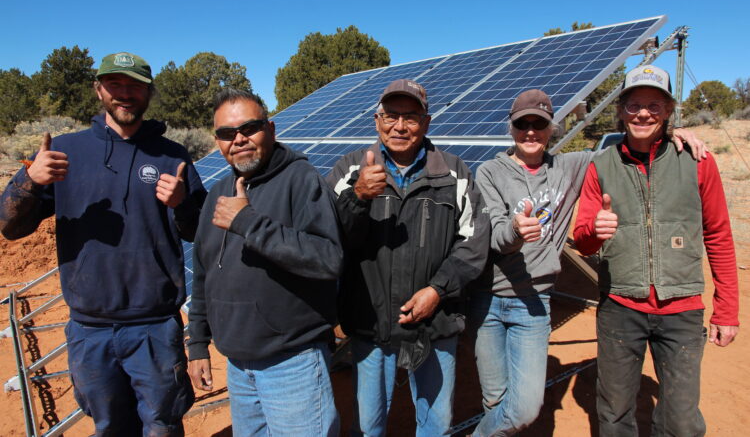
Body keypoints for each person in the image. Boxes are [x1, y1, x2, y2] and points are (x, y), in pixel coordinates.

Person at [471, 88, 706, 437]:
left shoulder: (571, 167)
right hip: (488, 299)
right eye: (522, 124)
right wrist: (516, 231)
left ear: (552, 129)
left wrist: (673, 132)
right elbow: (494, 238)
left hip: (534, 302)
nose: (531, 132)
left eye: (540, 124)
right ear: (511, 128)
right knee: (495, 400)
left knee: (522, 409)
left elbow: (632, 144)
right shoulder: (490, 171)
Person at [0, 52, 206, 435]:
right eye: (115, 85)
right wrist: (29, 181)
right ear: (99, 90)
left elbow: (199, 232)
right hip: (89, 330)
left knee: (162, 427)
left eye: (134, 86)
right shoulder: (64, 151)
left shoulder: (172, 155)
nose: (124, 93)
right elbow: (10, 227)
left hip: (155, 329)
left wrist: (181, 204)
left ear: (149, 93)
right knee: (109, 426)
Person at [573, 65, 739, 436]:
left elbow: (718, 235)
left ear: (668, 111)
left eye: (654, 105)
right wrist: (595, 232)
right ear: (620, 110)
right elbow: (582, 240)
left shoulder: (697, 161)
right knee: (615, 413)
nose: (643, 114)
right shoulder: (601, 165)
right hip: (620, 307)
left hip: (682, 309)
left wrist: (726, 310)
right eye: (633, 105)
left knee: (681, 420)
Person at [327, 79, 490, 437]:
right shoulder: (349, 170)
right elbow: (330, 237)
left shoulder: (454, 174)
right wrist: (358, 196)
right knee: (368, 425)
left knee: (436, 424)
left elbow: (474, 242)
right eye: (391, 116)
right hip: (371, 324)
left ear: (426, 123)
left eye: (411, 117)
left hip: (436, 323)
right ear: (377, 120)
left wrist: (437, 290)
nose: (400, 126)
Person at [186, 88, 342, 437]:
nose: (238, 139)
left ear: (270, 129)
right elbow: (203, 273)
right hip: (238, 365)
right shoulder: (218, 193)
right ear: (218, 141)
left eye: (249, 128)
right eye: (227, 133)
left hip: (292, 363)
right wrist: (197, 344)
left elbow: (328, 259)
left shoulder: (302, 180)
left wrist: (248, 222)